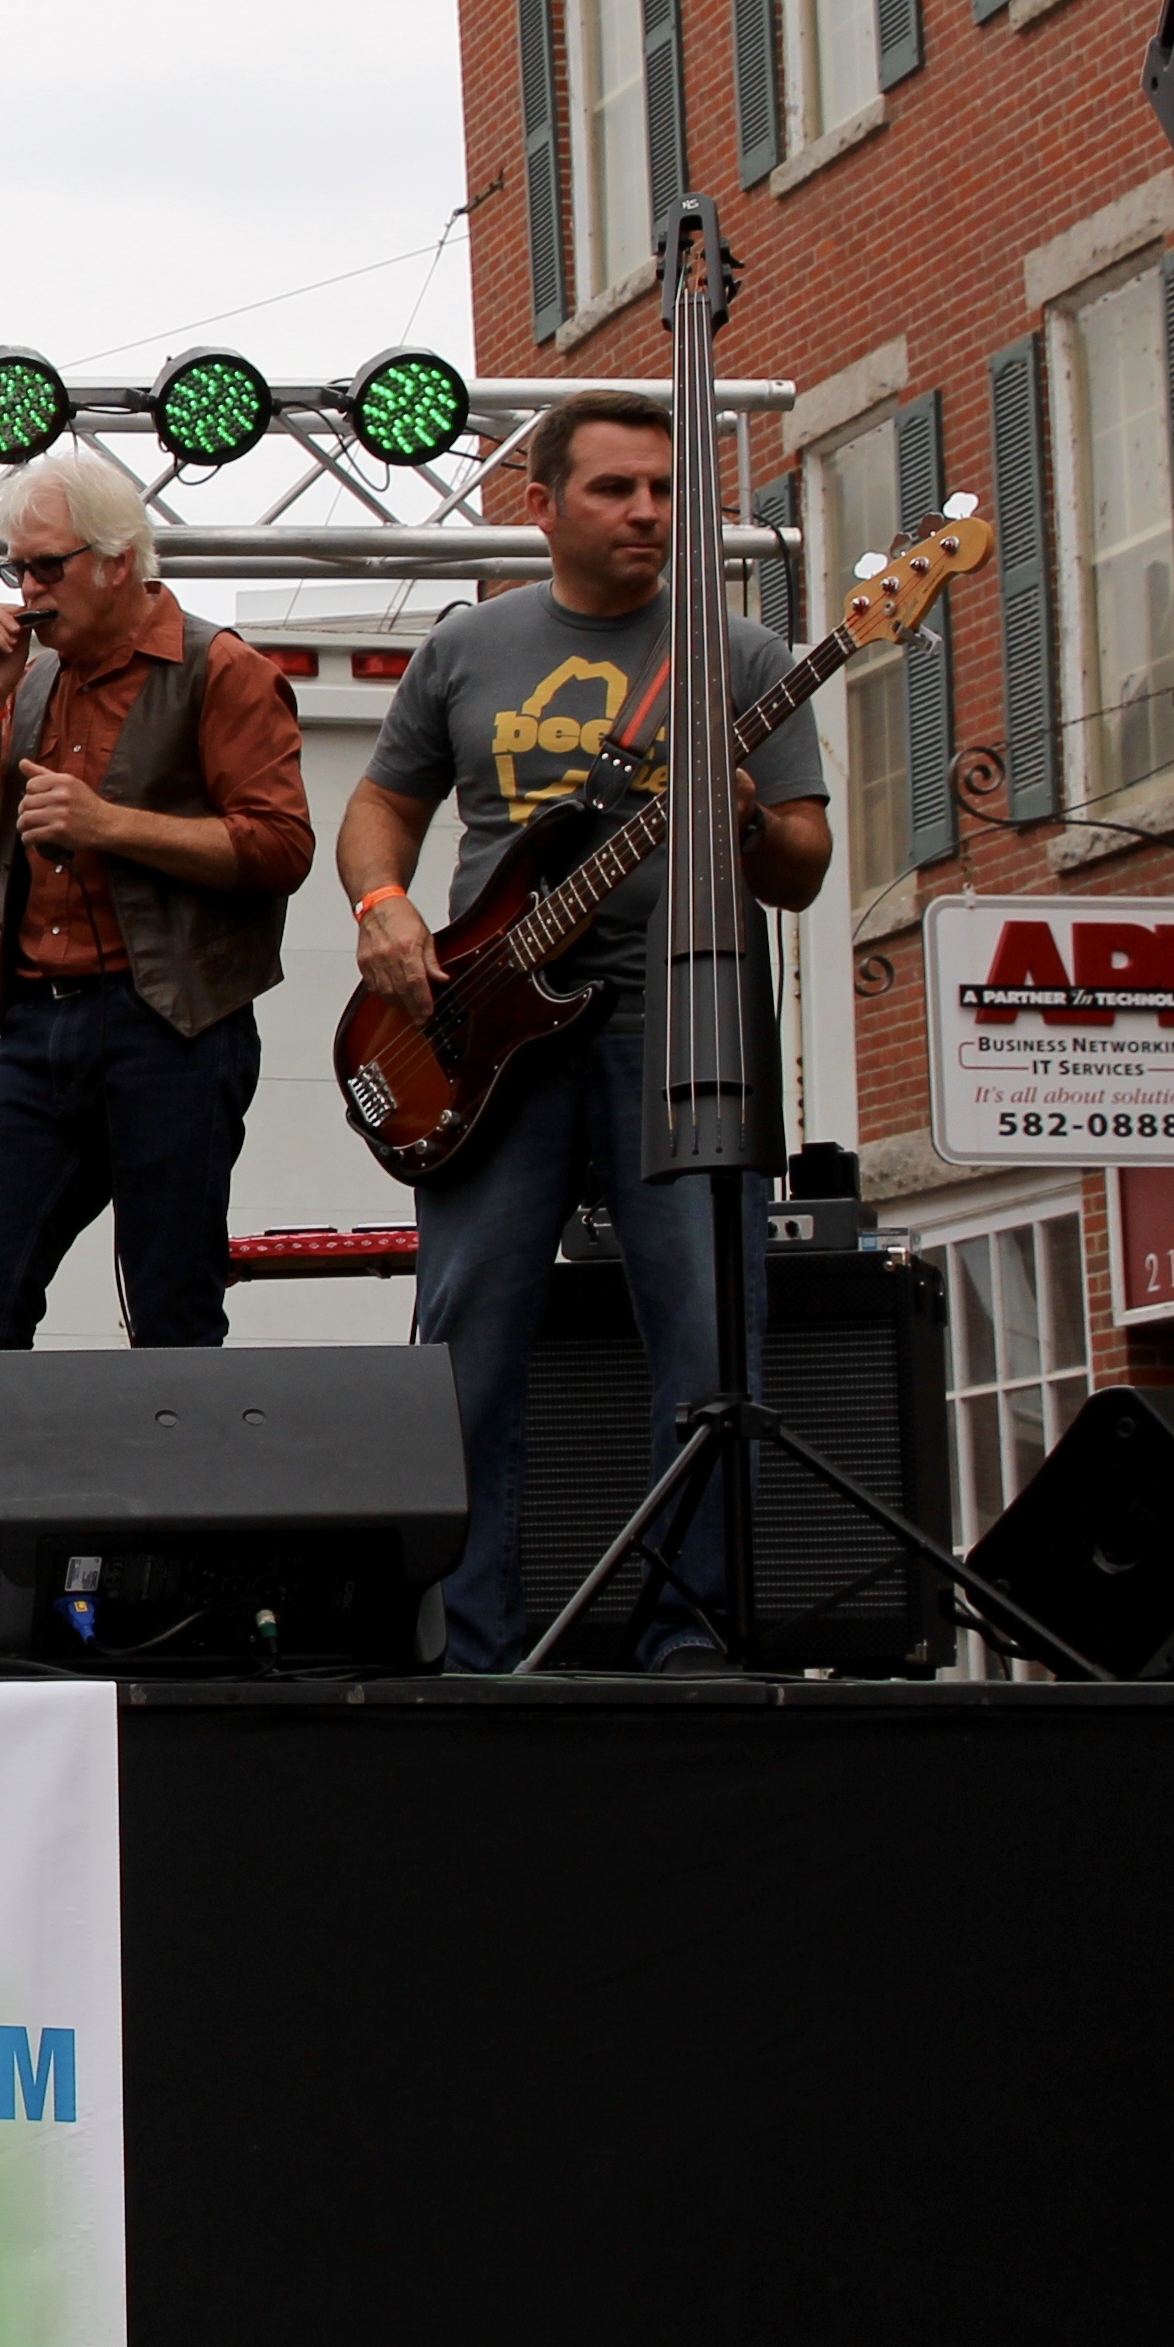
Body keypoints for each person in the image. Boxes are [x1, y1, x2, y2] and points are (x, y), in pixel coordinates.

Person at [342, 384, 830, 1673]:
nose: (647, 511)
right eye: (616, 488)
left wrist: (744, 818)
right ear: (544, 504)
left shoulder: (743, 661)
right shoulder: (467, 649)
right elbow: (379, 810)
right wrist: (384, 906)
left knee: (709, 1339)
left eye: (666, 491)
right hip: (490, 1031)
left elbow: (802, 867)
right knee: (468, 1342)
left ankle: (688, 1639)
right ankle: (471, 1651)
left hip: (682, 1031)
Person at [0, 453, 314, 1359]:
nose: (28, 590)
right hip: (38, 1031)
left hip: (173, 1028)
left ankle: (176, 1458)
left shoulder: (220, 668)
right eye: (16, 568)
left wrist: (109, 825)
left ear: (117, 561)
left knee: (172, 1318)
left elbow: (281, 847)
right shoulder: (30, 681)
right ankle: (0, 1460)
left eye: (46, 567)